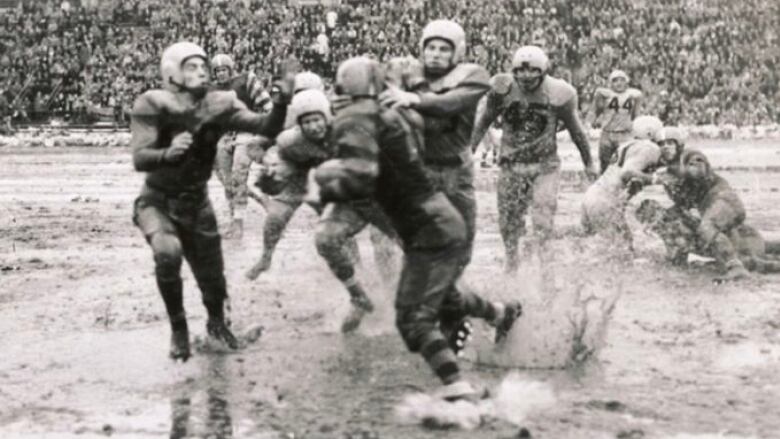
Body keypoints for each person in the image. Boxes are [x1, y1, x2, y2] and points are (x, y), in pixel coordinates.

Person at [314, 57, 521, 400]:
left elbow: (361, 175)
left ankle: (457, 389)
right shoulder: (384, 117)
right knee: (447, 297)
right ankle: (502, 313)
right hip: (429, 223)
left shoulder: (375, 121)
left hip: (429, 226)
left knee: (413, 318)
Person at [130, 42, 288, 361]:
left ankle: (218, 328)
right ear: (172, 72)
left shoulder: (220, 103)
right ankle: (179, 329)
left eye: (204, 65)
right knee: (167, 252)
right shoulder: (152, 103)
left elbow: (266, 126)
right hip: (158, 201)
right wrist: (166, 153)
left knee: (213, 282)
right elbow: (140, 158)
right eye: (192, 66)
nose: (202, 70)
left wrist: (283, 102)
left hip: (197, 204)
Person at [470, 45, 598, 273]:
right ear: (513, 71)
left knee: (542, 218)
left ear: (543, 72)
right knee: (509, 220)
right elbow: (483, 122)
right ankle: (512, 260)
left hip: (544, 165)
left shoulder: (560, 93)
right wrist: (468, 152)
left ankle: (546, 266)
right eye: (521, 71)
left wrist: (588, 163)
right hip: (511, 164)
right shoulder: (501, 89)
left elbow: (577, 131)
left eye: (532, 71)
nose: (526, 77)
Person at [581, 115, 663, 251]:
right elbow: (627, 172)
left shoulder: (627, 145)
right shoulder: (649, 147)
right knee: (624, 250)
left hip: (592, 195)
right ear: (650, 132)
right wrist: (656, 179)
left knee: (584, 241)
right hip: (604, 202)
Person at [211, 53, 266, 239]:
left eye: (223, 69)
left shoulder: (247, 80)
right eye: (217, 71)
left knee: (238, 176)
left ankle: (239, 223)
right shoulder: (211, 91)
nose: (220, 74)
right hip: (224, 137)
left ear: (230, 69)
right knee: (228, 183)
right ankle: (235, 218)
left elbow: (267, 105)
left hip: (245, 133)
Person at [588, 69, 643, 174]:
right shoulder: (604, 94)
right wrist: (594, 120)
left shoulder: (634, 95)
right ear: (610, 83)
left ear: (626, 82)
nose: (619, 83)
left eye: (622, 80)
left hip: (625, 134)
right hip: (607, 133)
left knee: (624, 163)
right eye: (615, 81)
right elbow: (595, 110)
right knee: (604, 164)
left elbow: (636, 115)